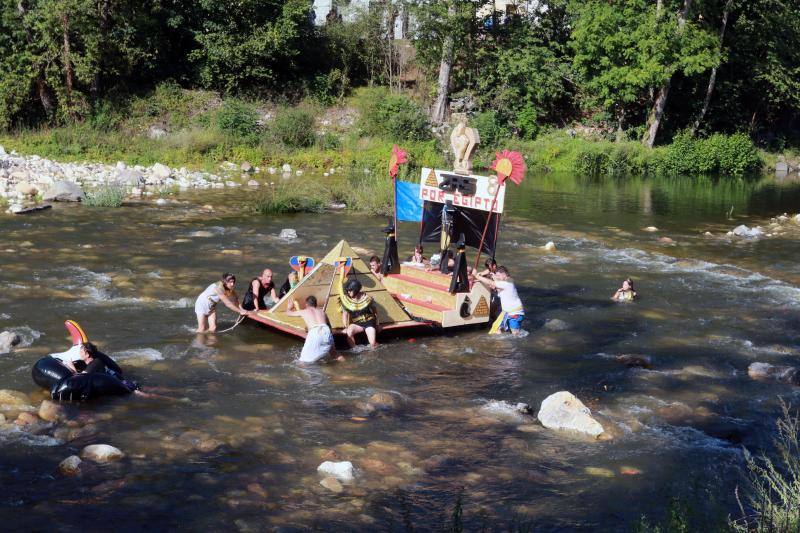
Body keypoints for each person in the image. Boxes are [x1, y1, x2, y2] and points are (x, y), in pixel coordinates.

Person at [286, 295, 339, 364]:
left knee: (303, 361)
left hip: (315, 332)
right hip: (326, 330)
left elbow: (288, 313)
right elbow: (329, 328)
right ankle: (346, 367)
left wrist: (289, 307)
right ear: (316, 304)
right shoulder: (322, 312)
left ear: (306, 304)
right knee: (335, 355)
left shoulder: (304, 311)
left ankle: (304, 374)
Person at [473, 266, 524, 335]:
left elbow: (492, 283)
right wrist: (493, 279)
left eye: (498, 275)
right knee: (496, 328)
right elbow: (495, 286)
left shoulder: (507, 283)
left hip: (514, 313)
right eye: (497, 276)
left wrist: (478, 276)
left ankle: (516, 343)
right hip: (508, 312)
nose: (497, 277)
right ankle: (503, 341)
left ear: (504, 274)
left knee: (515, 333)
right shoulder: (509, 280)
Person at [340, 278, 379, 348]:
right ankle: (355, 350)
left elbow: (375, 311)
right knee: (349, 332)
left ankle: (378, 350)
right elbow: (345, 315)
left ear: (356, 290)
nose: (348, 292)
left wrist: (377, 324)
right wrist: (346, 327)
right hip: (356, 324)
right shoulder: (346, 300)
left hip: (369, 322)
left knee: (373, 343)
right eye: (348, 290)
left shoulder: (367, 298)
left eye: (350, 290)